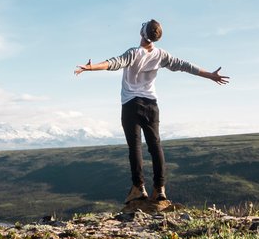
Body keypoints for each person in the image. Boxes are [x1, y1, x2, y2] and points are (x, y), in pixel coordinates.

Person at [75, 19, 229, 204]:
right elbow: (185, 65)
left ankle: (138, 188)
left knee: (135, 147)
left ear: (142, 33)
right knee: (155, 146)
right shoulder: (161, 55)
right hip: (151, 104)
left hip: (131, 104)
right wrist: (210, 75)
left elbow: (114, 63)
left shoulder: (134, 53)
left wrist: (91, 67)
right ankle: (160, 189)